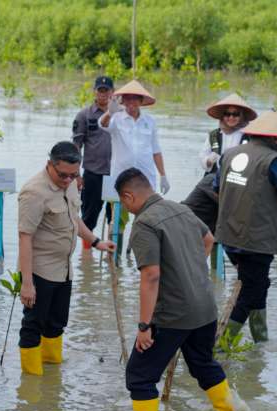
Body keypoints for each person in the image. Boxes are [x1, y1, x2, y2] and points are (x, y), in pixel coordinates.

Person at [116, 168, 237, 411]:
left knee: (139, 376)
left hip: (173, 315)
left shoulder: (144, 223)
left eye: (124, 203)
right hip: (204, 308)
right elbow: (208, 240)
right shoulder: (181, 209)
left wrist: (144, 327)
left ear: (127, 196)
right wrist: (188, 270)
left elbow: (150, 276)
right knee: (203, 364)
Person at [17, 141, 115, 376]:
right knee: (33, 325)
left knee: (56, 323)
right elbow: (25, 238)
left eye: (74, 175)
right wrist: (27, 284)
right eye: (63, 175)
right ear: (49, 165)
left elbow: (74, 219)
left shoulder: (70, 184)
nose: (68, 180)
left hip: (63, 269)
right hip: (39, 270)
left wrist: (95, 241)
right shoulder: (34, 192)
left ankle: (51, 376)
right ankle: (31, 381)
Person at [215, 110, 277, 343]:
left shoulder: (230, 154)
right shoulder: (275, 160)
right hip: (256, 239)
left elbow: (216, 188)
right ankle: (221, 345)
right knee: (250, 291)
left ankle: (260, 342)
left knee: (258, 285)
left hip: (229, 235)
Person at [99, 80, 169, 252]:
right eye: (127, 99)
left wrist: (163, 175)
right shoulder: (116, 118)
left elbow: (156, 150)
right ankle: (115, 259)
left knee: (147, 219)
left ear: (141, 101)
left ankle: (136, 255)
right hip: (120, 178)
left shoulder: (149, 121)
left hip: (145, 179)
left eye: (134, 99)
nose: (131, 103)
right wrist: (109, 112)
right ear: (122, 101)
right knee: (118, 221)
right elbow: (103, 125)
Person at [72, 75, 114, 248]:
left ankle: (111, 252)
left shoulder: (120, 115)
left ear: (113, 93)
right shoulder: (84, 115)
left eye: (107, 91)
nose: (103, 94)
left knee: (115, 218)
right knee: (88, 218)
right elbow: (76, 146)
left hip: (115, 175)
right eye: (100, 90)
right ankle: (86, 260)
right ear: (95, 92)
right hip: (92, 174)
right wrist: (76, 175)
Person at [200, 93, 256, 174]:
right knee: (200, 187)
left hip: (237, 177)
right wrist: (209, 161)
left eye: (236, 114)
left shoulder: (248, 136)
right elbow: (203, 155)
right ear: (222, 116)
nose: (231, 117)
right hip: (214, 175)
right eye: (227, 114)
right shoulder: (214, 135)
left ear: (242, 116)